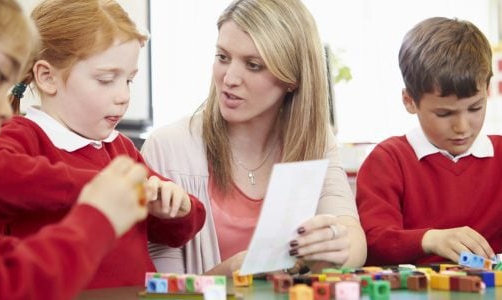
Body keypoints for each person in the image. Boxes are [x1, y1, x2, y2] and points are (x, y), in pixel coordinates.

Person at [0, 0, 206, 288]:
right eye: (106, 80)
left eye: (129, 81)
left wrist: (177, 208)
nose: (123, 96)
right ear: (47, 77)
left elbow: (178, 230)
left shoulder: (121, 148)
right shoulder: (23, 133)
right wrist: (101, 190)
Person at [141, 0, 367, 275]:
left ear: (291, 78)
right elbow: (162, 288)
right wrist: (232, 271)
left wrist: (339, 244)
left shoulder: (317, 142)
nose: (230, 78)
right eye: (223, 57)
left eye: (253, 65)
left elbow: (353, 238)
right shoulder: (168, 147)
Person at [356, 17, 502, 266]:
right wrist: (429, 240)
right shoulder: (388, 160)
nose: (462, 127)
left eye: (475, 108)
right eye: (444, 114)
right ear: (409, 101)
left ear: (488, 89)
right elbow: (373, 242)